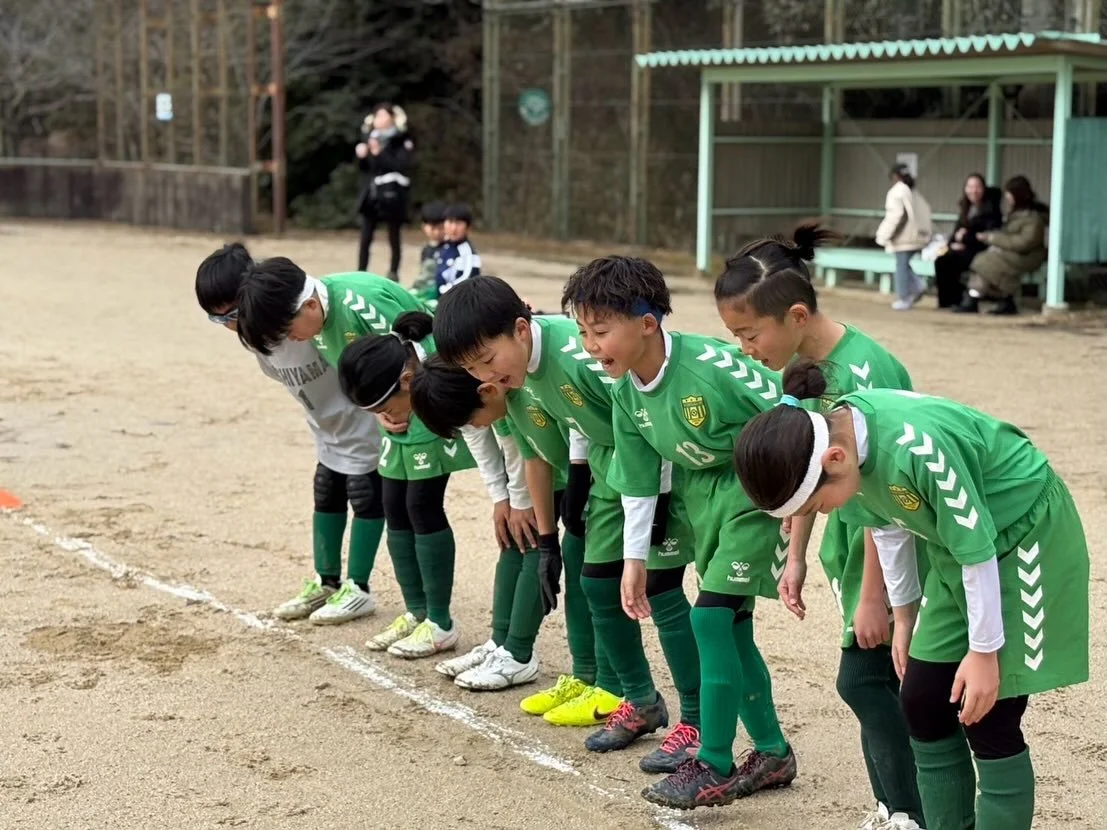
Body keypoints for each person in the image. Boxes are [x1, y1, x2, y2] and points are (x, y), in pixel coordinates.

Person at [733, 366, 1090, 830]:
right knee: (922, 699)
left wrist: (984, 653)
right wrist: (904, 618)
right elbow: (888, 525)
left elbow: (977, 546)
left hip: (1021, 539)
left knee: (989, 715)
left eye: (815, 508)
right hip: (956, 549)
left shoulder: (916, 449)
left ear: (834, 459)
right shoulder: (844, 450)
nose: (820, 515)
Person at [434, 277, 703, 773]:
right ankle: (641, 701)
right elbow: (554, 442)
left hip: (654, 467)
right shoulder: (512, 379)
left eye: (486, 361)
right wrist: (548, 534)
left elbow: (645, 413)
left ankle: (698, 718)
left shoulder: (576, 354)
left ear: (520, 330)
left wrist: (659, 494)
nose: (482, 376)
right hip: (608, 470)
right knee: (598, 584)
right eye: (470, 368)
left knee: (662, 590)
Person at [562, 256, 797, 811]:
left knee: (710, 616)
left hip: (754, 492)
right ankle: (772, 751)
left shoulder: (715, 366)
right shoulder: (622, 391)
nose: (591, 346)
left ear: (647, 323)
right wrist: (635, 558)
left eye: (600, 332)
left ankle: (712, 761)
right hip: (701, 500)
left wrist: (796, 498)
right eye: (582, 333)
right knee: (733, 628)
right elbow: (640, 480)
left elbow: (796, 407)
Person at [714, 225, 924, 829]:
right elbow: (805, 465)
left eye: (749, 333)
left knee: (865, 681)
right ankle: (893, 809)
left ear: (797, 315)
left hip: (889, 554)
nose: (745, 348)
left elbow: (893, 503)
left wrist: (874, 597)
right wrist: (799, 552)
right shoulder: (800, 368)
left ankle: (912, 810)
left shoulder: (868, 368)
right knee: (872, 683)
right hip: (850, 550)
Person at [234, 259, 478, 658]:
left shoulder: (360, 303)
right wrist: (380, 412)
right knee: (394, 506)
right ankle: (416, 613)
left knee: (421, 506)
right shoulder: (319, 323)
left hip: (424, 402)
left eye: (289, 330)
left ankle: (440, 622)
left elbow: (420, 353)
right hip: (394, 413)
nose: (293, 340)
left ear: (309, 307)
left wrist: (416, 408)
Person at [411, 355, 626, 727]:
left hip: (603, 476)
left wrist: (522, 500)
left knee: (597, 578)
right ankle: (585, 675)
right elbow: (526, 454)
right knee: (573, 564)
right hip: (568, 472)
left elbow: (562, 436)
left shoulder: (512, 387)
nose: (472, 428)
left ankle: (612, 685)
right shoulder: (496, 392)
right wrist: (534, 527)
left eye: (468, 421)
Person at [195, 243, 384, 626]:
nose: (230, 325)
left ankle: (358, 588)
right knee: (326, 489)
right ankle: (326, 581)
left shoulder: (300, 325)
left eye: (232, 313)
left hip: (363, 422)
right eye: (218, 320)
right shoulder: (258, 341)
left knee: (365, 495)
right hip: (327, 428)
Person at [955, 175, 1049, 316]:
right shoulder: (1018, 213)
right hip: (1017, 254)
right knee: (987, 260)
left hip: (1029, 256)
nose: (1007, 197)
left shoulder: (1033, 218)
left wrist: (992, 238)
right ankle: (998, 299)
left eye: (1009, 193)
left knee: (985, 261)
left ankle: (979, 298)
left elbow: (1025, 243)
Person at [356, 103, 413, 280]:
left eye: (384, 116)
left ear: (392, 118)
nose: (380, 120)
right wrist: (362, 156)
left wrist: (379, 153)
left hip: (392, 194)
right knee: (365, 236)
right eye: (377, 116)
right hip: (372, 194)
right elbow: (365, 169)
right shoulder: (369, 138)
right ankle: (360, 272)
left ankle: (393, 272)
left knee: (394, 235)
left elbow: (401, 165)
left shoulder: (402, 139)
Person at [933, 174, 1004, 309]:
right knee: (942, 259)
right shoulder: (966, 208)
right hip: (963, 248)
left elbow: (986, 236)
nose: (974, 190)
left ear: (983, 189)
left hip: (980, 251)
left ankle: (956, 300)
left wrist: (964, 238)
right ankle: (948, 301)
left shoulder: (991, 210)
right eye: (970, 187)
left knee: (950, 260)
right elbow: (956, 232)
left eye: (977, 187)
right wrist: (953, 243)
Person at [875, 164, 933, 312]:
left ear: (895, 176)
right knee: (904, 265)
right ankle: (917, 285)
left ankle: (904, 297)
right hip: (916, 235)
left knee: (901, 266)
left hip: (903, 236)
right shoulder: (913, 191)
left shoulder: (897, 191)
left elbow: (897, 216)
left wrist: (888, 235)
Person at [434, 203, 481, 296]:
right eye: (450, 222)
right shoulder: (444, 246)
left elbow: (467, 281)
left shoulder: (468, 254)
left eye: (458, 223)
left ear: (468, 227)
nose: (453, 228)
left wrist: (443, 291)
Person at [412, 201, 448, 302]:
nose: (437, 232)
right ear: (424, 227)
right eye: (433, 228)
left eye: (441, 228)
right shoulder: (426, 249)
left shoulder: (448, 249)